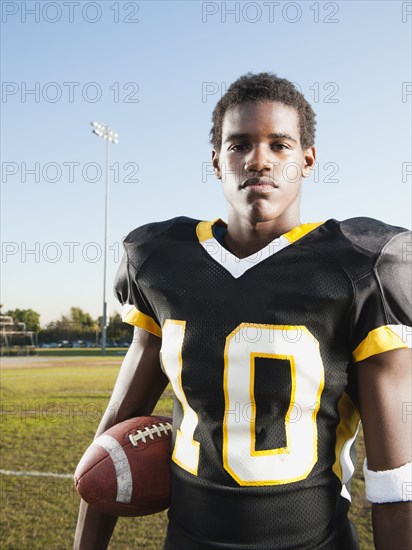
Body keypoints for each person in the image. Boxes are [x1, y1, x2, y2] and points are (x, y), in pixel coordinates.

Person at [74, 72, 411, 550]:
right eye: (239, 145)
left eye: (280, 145)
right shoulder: (161, 259)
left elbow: (396, 483)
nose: (259, 160)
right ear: (216, 161)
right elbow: (112, 436)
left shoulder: (361, 268)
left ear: (307, 159)